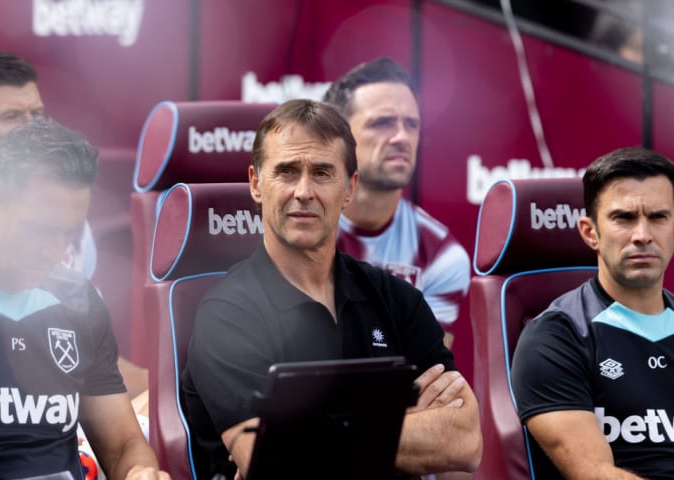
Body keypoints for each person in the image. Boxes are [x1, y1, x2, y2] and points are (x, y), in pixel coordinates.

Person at [181, 99, 482, 479]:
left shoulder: (396, 299)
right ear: (256, 184)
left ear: (349, 188)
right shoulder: (226, 314)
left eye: (322, 173)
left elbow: (465, 440)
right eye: (287, 172)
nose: (304, 191)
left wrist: (307, 433)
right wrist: (401, 425)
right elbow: (270, 460)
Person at [0, 117, 169, 480]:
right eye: (38, 229)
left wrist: (140, 472)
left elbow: (121, 446)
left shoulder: (77, 298)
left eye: (68, 235)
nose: (53, 251)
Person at [0, 47, 148, 400]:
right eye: (11, 116)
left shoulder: (72, 226)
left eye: (38, 114)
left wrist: (161, 391)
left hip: (57, 409)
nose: (32, 130)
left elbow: (85, 350)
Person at [510, 146, 674, 479]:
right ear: (590, 232)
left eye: (658, 217)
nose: (643, 235)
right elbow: (595, 473)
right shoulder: (556, 336)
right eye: (623, 218)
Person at [322, 57, 470, 348]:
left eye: (411, 124)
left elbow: (427, 375)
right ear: (337, 138)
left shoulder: (441, 254)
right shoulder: (298, 226)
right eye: (383, 123)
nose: (402, 137)